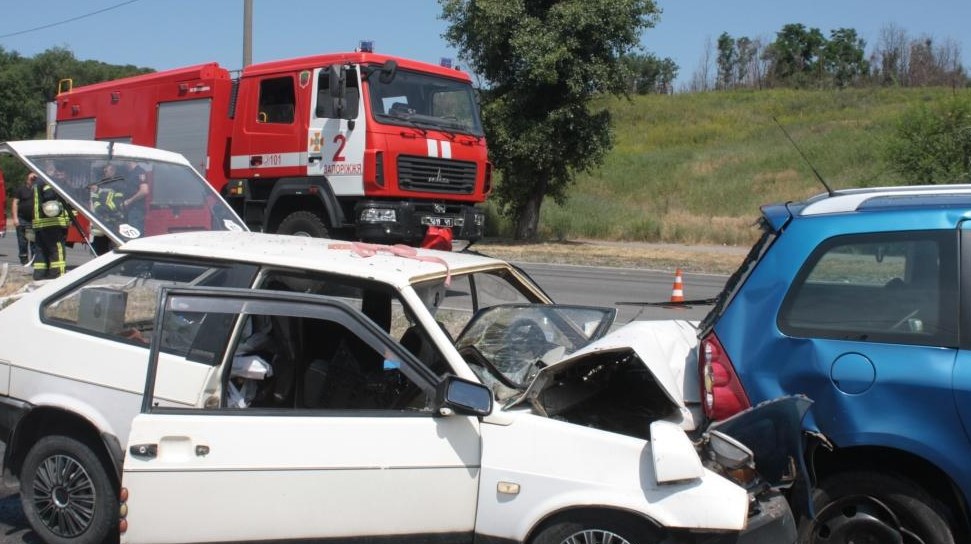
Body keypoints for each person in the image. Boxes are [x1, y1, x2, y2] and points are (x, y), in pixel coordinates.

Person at [32, 168, 71, 279]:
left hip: (40, 224)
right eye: (58, 172)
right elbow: (54, 200)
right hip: (52, 223)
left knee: (41, 250)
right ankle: (57, 275)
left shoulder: (38, 182)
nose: (59, 174)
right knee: (57, 249)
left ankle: (39, 275)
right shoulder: (50, 184)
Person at [11, 172, 37, 265]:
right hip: (22, 219)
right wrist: (15, 218)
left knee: (34, 242)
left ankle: (34, 261)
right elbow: (15, 203)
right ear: (27, 178)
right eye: (31, 176)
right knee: (22, 242)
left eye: (35, 177)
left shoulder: (38, 190)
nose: (33, 178)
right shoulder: (20, 190)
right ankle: (24, 260)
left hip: (34, 220)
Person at [122, 161, 149, 233]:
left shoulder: (139, 172)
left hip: (136, 209)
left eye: (125, 161)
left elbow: (144, 191)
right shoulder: (129, 173)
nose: (123, 163)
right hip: (129, 209)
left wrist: (129, 201)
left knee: (135, 233)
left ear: (130, 161)